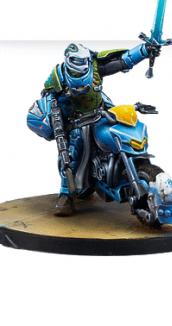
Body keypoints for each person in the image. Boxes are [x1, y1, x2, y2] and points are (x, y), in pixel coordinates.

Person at [27, 42, 160, 215]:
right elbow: (49, 97)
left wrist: (144, 50)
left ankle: (127, 170)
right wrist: (58, 121)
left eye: (84, 60)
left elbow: (123, 61)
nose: (81, 64)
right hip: (76, 119)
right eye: (77, 61)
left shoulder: (95, 67)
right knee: (73, 150)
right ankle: (66, 194)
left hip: (100, 110)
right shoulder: (59, 75)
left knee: (121, 129)